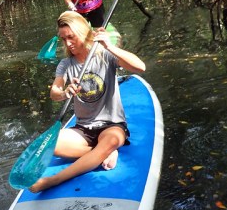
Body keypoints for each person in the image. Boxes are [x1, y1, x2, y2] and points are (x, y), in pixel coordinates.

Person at [29, 11, 146, 193]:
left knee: (112, 139)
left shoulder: (104, 55)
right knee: (48, 145)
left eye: (71, 37)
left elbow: (140, 67)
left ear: (83, 31)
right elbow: (54, 92)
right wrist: (65, 93)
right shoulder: (66, 64)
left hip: (111, 126)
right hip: (83, 129)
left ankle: (54, 180)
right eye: (63, 39)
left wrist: (110, 46)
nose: (68, 43)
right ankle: (103, 152)